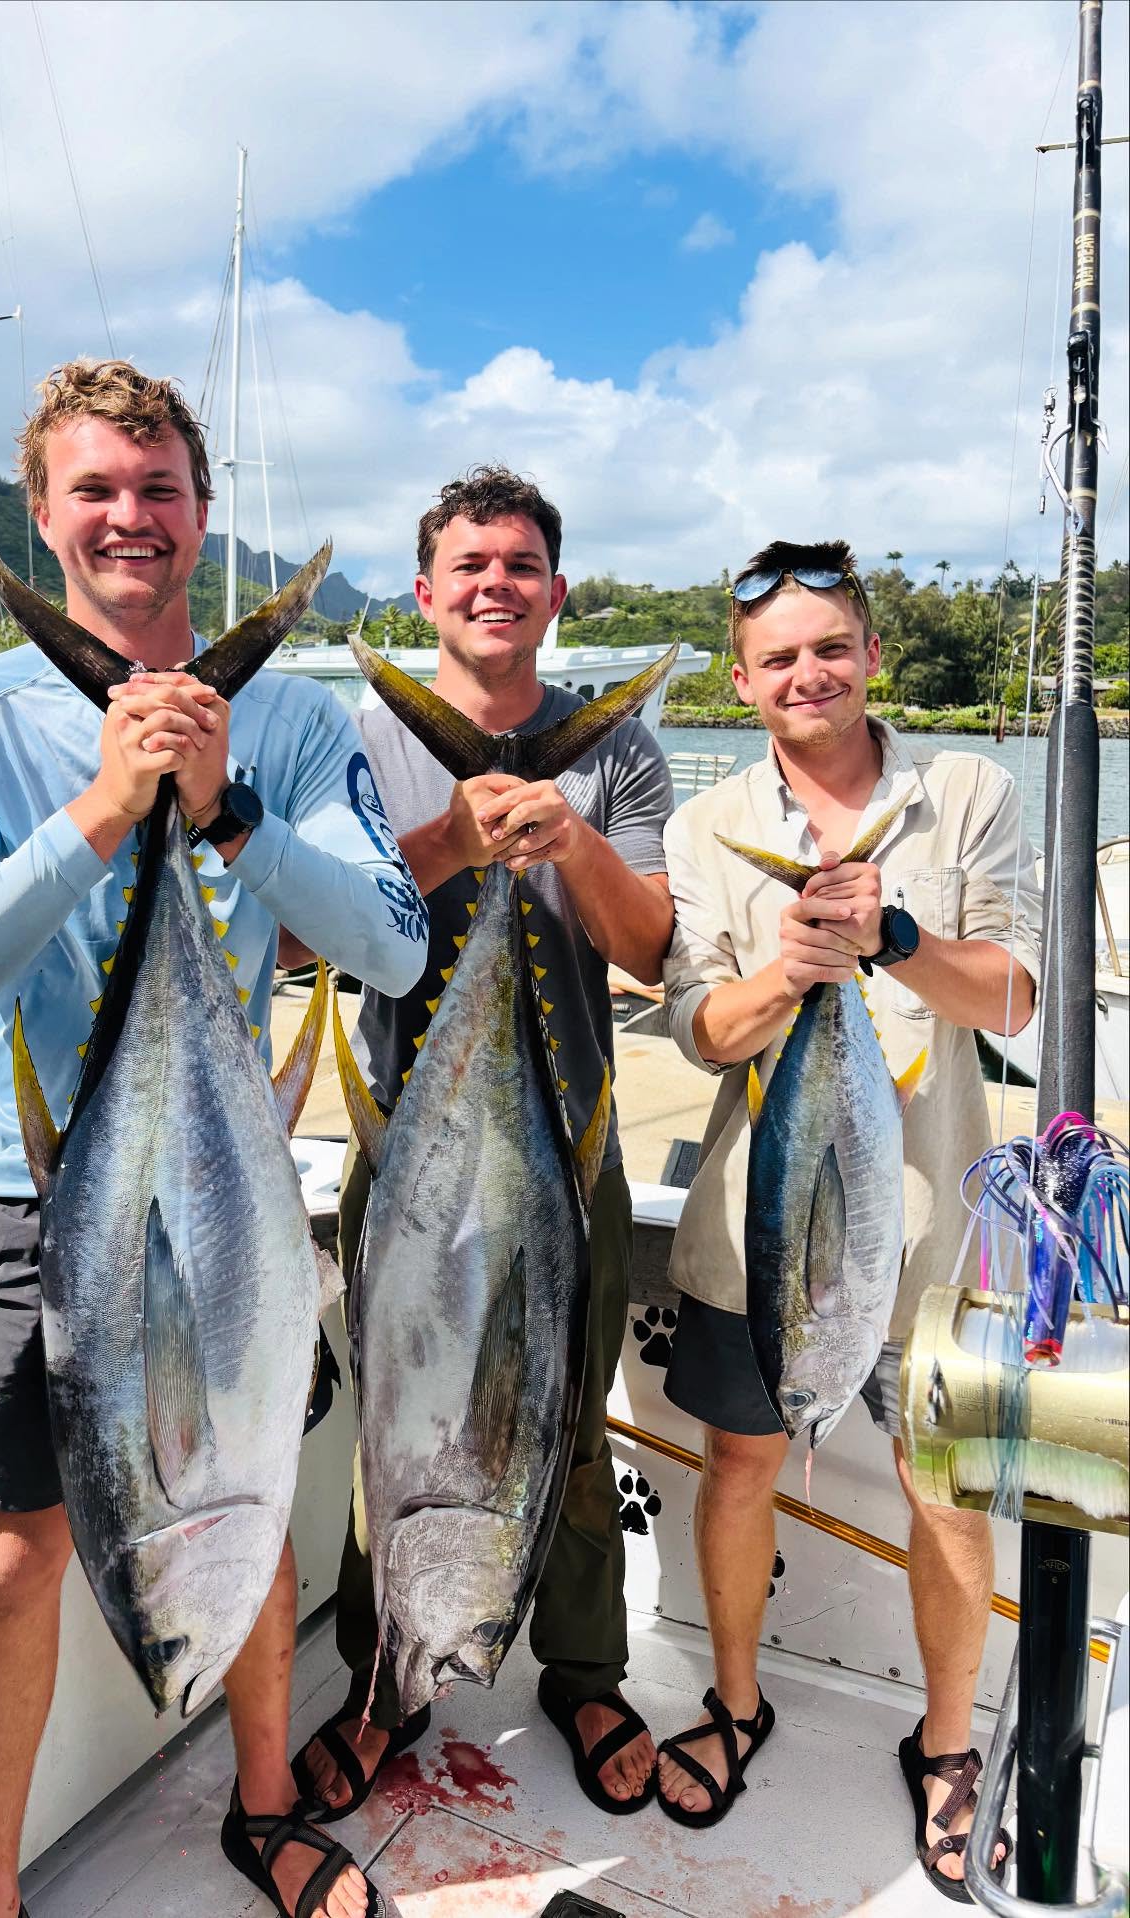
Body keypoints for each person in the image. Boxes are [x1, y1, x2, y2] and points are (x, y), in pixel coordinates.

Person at [0, 358, 428, 1918]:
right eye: (96, 488)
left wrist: (228, 808)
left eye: (159, 486)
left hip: (231, 1197)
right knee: (18, 1551)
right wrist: (109, 807)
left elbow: (391, 944)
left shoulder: (293, 719)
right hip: (29, 1194)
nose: (131, 514)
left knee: (249, 1489)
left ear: (202, 509)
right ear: (43, 512)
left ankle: (268, 1806)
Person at [290, 465, 677, 1822]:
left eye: (520, 565)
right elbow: (301, 934)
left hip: (569, 1151)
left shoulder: (618, 750)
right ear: (426, 591)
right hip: (409, 1150)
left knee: (567, 1414)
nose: (495, 584)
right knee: (392, 1424)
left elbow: (650, 947)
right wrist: (454, 842)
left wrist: (571, 842)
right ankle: (384, 1683)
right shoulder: (357, 740)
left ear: (556, 592)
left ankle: (586, 1672)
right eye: (470, 564)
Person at [656, 539, 1031, 1895]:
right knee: (738, 1463)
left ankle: (947, 1743)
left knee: (945, 1494)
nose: (806, 674)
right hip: (762, 1233)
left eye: (830, 648)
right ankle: (735, 1703)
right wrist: (793, 971)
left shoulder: (968, 791)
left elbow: (1014, 998)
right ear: (742, 682)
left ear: (873, 654)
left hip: (934, 1248)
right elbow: (699, 1027)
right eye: (778, 659)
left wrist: (894, 939)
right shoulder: (706, 826)